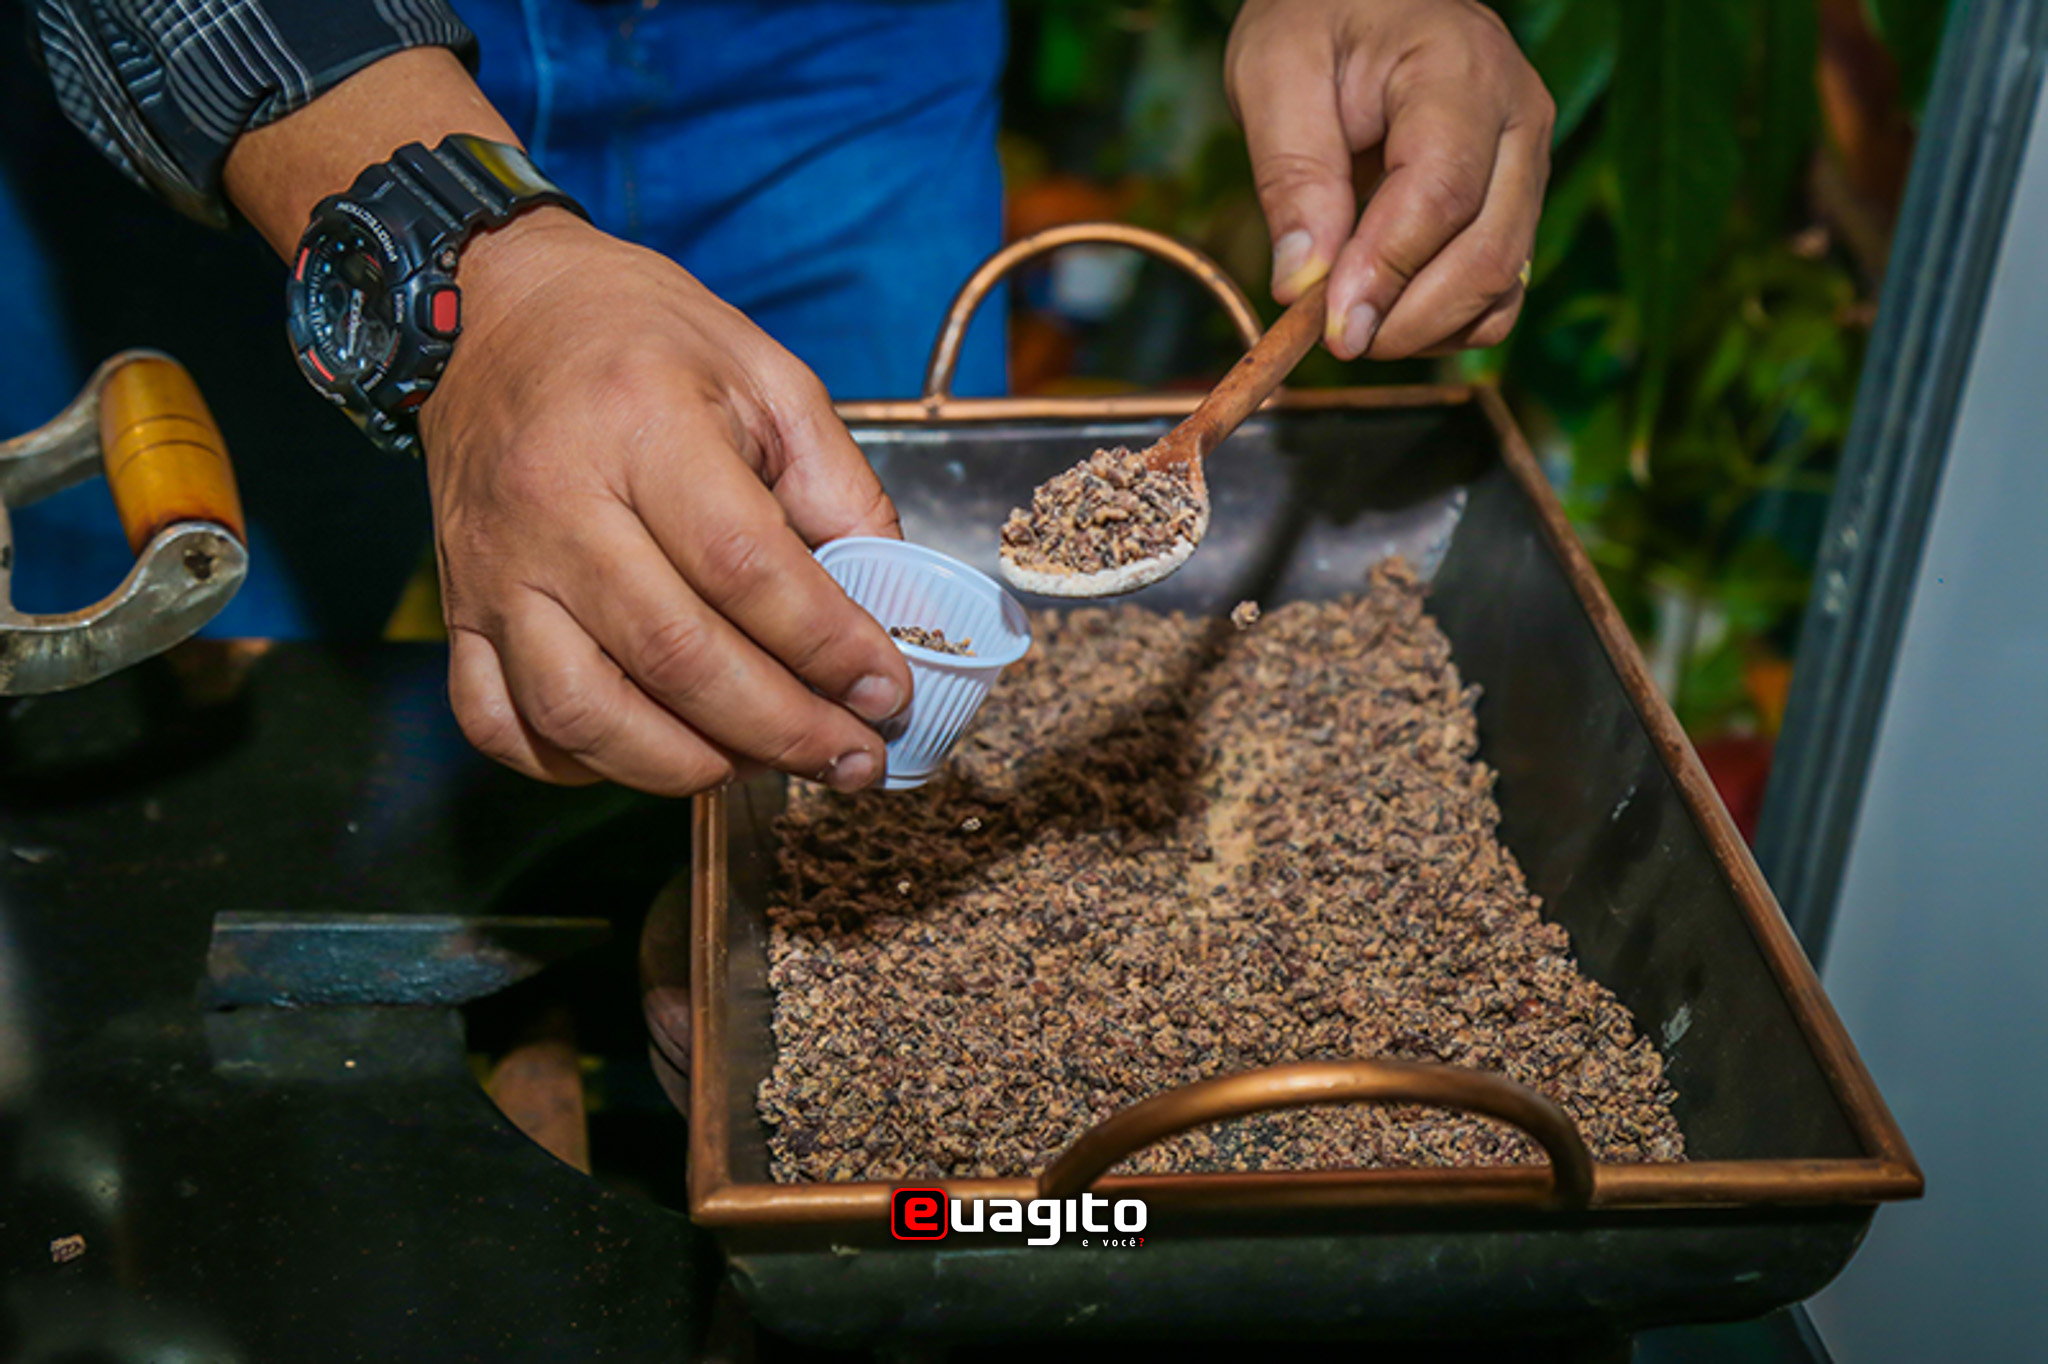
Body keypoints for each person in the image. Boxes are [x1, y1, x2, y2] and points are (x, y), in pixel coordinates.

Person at [27, 0, 1553, 798]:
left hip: (836, 56)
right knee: (192, 765)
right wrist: (457, 254)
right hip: (264, 64)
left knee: (809, 694)